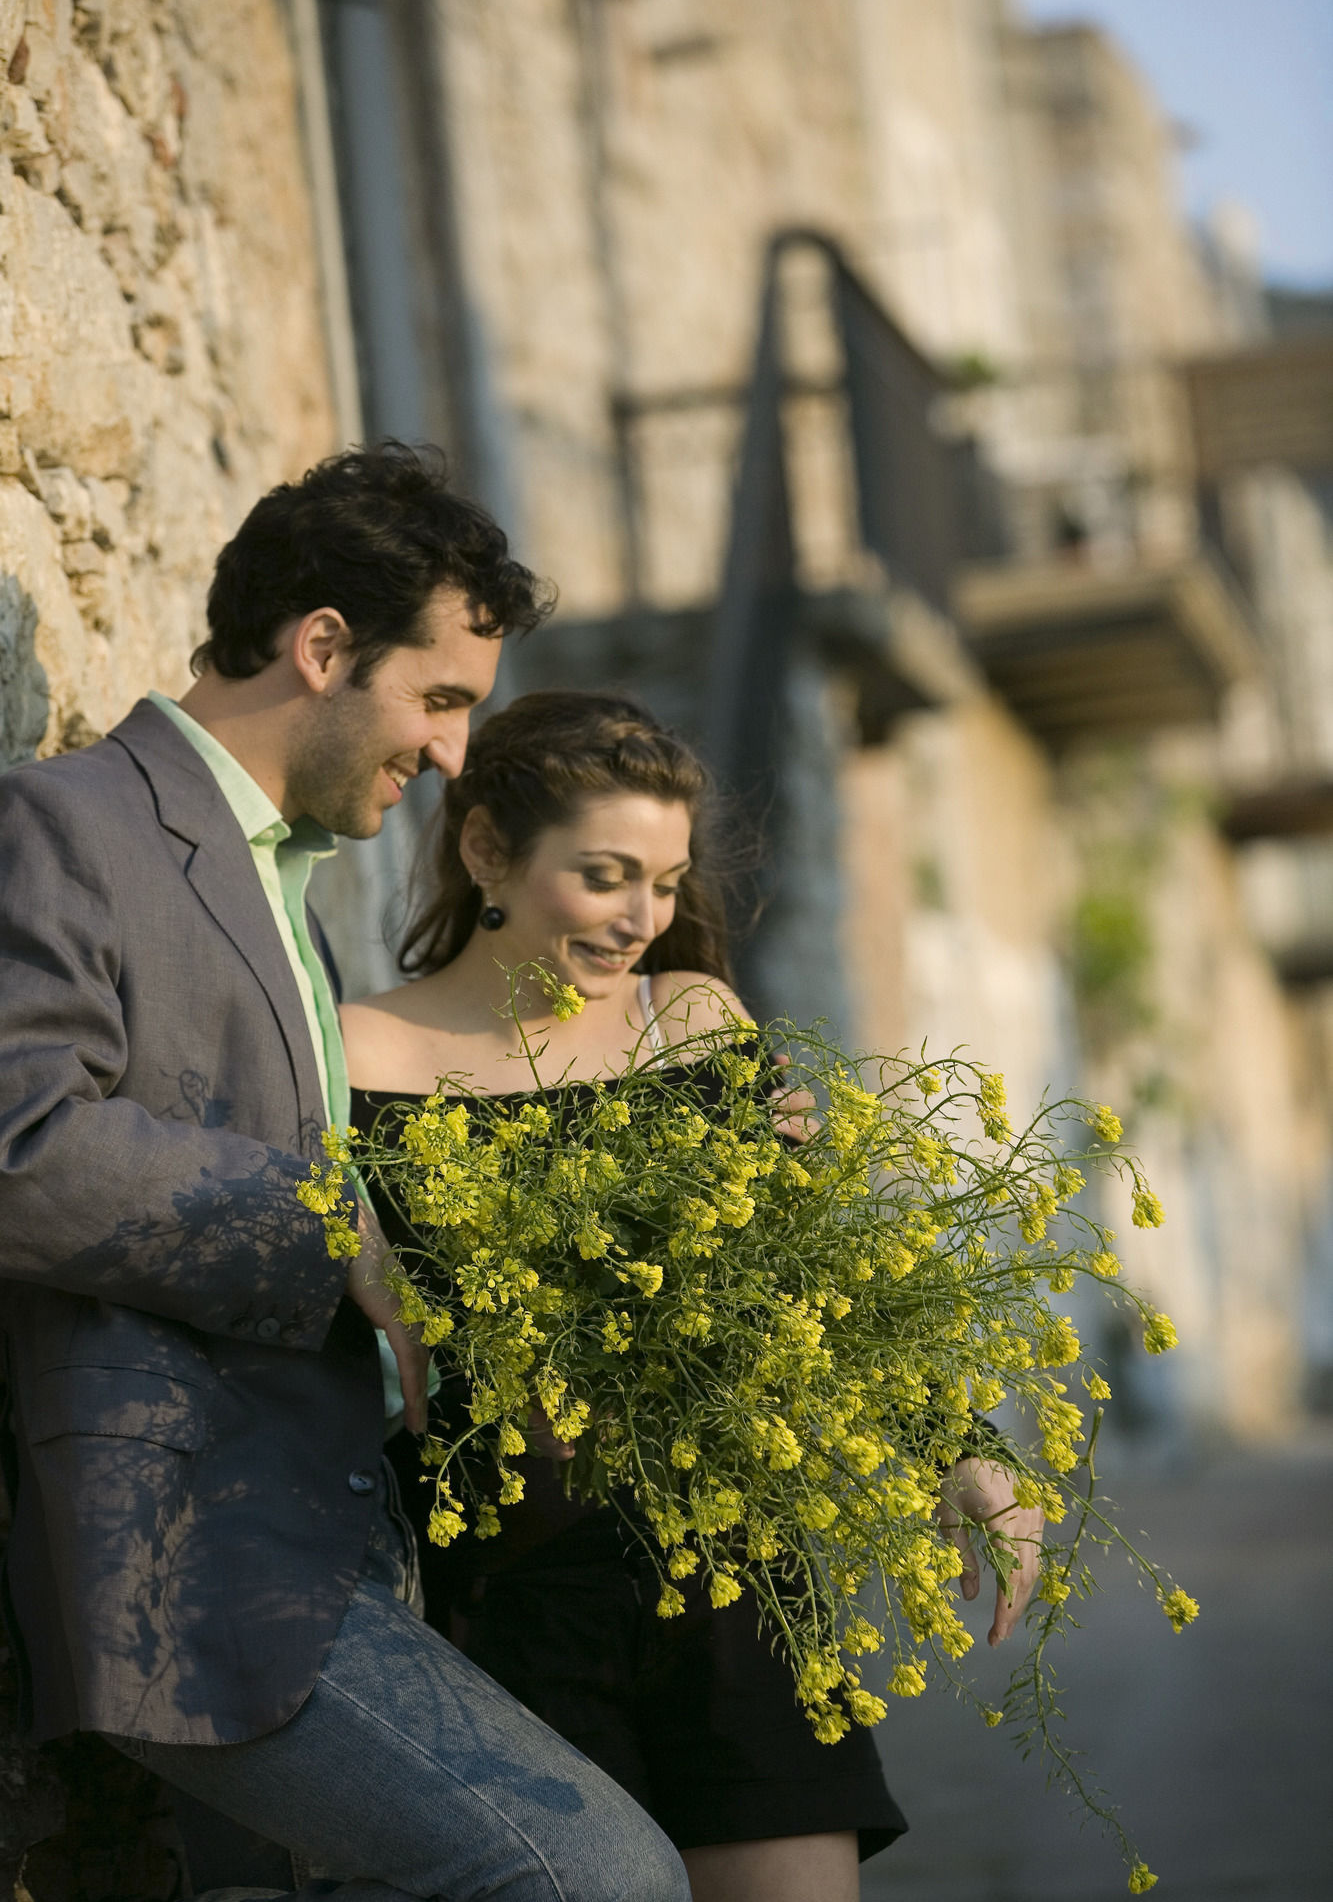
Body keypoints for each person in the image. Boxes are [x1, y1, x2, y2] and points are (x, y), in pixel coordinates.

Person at [0, 447, 692, 1902]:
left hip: (330, 1536)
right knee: (598, 1876)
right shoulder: (71, 824)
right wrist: (335, 1231)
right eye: (439, 699)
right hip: (191, 1560)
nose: (452, 755)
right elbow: (19, 1145)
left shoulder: (287, 890)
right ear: (322, 647)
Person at [341, 690, 1044, 1902]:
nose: (639, 919)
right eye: (605, 874)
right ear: (485, 848)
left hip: (735, 1583)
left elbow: (814, 1279)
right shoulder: (359, 1056)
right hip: (505, 1607)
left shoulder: (692, 1019)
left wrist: (960, 1448)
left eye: (663, 882)